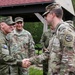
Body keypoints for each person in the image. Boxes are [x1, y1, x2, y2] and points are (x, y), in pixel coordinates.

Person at [23, 2, 75, 75]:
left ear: (52, 14)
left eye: (46, 15)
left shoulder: (65, 31)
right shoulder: (56, 32)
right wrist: (30, 60)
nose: (45, 18)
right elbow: (47, 54)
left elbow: (69, 63)